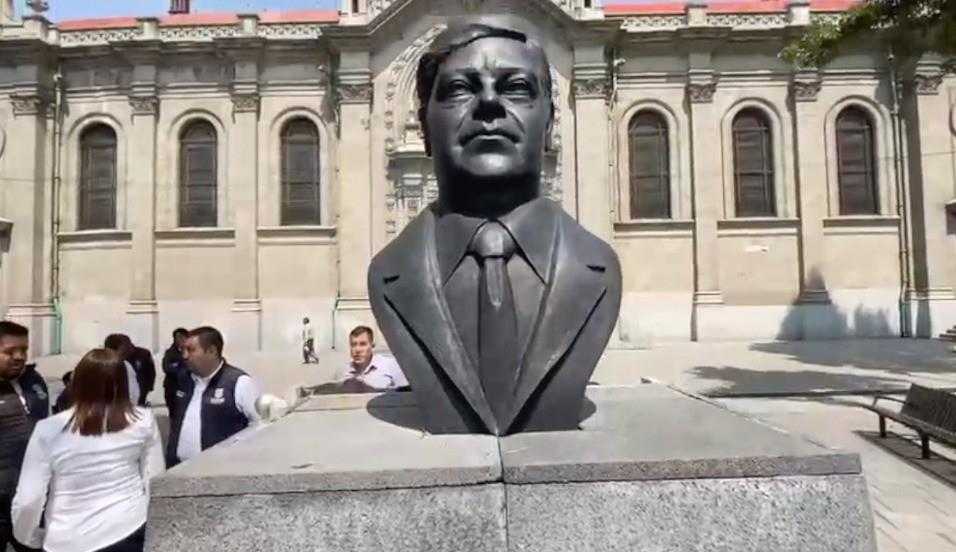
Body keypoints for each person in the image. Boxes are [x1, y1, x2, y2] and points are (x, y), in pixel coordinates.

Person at [367, 20, 621, 436]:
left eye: (516, 87)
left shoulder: (599, 268)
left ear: (551, 122)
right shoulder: (388, 274)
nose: (488, 103)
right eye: (460, 89)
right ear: (424, 126)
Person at [11, 348, 164, 552]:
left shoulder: (49, 429)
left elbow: (29, 498)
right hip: (127, 526)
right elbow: (154, 479)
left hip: (66, 537)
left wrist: (28, 536)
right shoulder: (143, 421)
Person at [166, 326, 262, 468]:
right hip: (179, 470)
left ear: (212, 351)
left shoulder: (238, 382)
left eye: (191, 350)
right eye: (183, 350)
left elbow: (259, 426)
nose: (185, 356)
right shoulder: (183, 381)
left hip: (219, 471)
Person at [0, 321, 46, 552]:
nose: (19, 357)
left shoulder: (34, 381)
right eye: (9, 351)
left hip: (29, 496)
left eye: (24, 350)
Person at [334, 326, 407, 391]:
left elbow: (406, 394)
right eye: (353, 345)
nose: (357, 350)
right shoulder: (343, 372)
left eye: (363, 344)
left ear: (372, 345)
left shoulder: (390, 366)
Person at [103, 334, 142, 407]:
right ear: (120, 347)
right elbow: (131, 392)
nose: (131, 347)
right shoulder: (122, 365)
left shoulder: (125, 364)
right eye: (128, 344)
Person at [162, 328, 188, 413]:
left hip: (187, 388)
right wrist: (181, 367)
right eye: (178, 337)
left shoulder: (192, 351)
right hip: (173, 388)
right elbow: (167, 367)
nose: (180, 340)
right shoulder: (170, 353)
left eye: (183, 337)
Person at [128, 343, 156, 407]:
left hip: (142, 387)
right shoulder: (123, 357)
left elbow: (151, 371)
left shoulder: (143, 353)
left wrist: (150, 386)